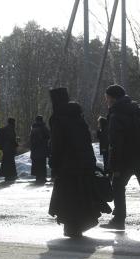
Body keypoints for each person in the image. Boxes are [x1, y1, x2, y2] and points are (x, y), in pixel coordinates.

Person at [100, 84, 140, 232]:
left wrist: (114, 166)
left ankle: (119, 219)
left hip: (125, 158)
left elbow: (115, 143)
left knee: (118, 187)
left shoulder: (116, 114)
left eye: (107, 98)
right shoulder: (136, 109)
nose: (106, 101)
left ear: (113, 98)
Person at [48, 88, 103, 238]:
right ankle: (79, 224)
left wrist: (54, 162)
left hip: (67, 164)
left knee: (68, 196)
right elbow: (86, 140)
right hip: (83, 161)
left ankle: (72, 226)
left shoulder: (57, 117)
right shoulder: (78, 116)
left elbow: (57, 143)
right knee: (81, 193)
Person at [30, 115, 50, 184]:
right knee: (42, 163)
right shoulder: (43, 127)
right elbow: (48, 136)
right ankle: (43, 177)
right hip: (42, 149)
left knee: (36, 163)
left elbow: (31, 139)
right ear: (42, 120)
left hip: (35, 150)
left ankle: (37, 177)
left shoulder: (33, 128)